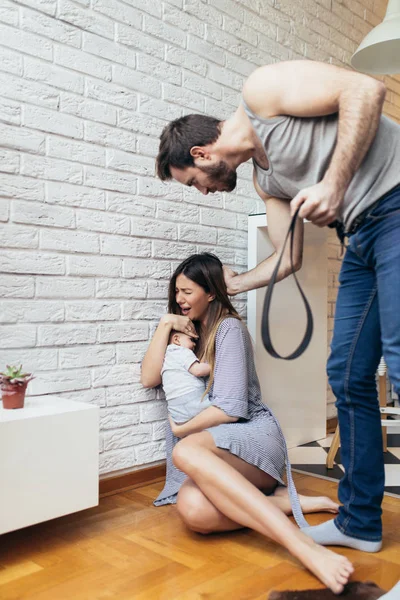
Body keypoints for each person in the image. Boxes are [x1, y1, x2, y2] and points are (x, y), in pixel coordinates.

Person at [155, 60, 400, 556]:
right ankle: (359, 523)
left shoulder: (261, 93)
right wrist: (235, 285)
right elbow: (288, 257)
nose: (201, 191)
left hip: (395, 206)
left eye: (193, 182)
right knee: (349, 374)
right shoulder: (266, 182)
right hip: (359, 236)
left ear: (202, 154)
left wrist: (333, 185)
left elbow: (366, 91)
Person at [141, 252, 352, 594]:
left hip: (250, 433)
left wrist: (181, 431)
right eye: (176, 291)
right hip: (209, 443)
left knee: (186, 451)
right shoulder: (186, 333)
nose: (179, 299)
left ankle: (303, 547)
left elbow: (232, 410)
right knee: (193, 510)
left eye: (187, 291)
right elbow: (150, 377)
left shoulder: (229, 329)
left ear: (211, 292)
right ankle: (286, 502)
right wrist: (165, 325)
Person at [161, 329, 212, 424]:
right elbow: (198, 370)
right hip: (191, 398)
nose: (195, 344)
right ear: (177, 340)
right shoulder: (182, 351)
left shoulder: (167, 357)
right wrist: (215, 365)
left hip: (175, 408)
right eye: (191, 339)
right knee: (220, 411)